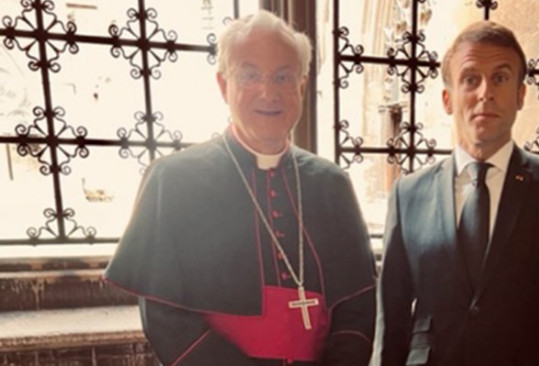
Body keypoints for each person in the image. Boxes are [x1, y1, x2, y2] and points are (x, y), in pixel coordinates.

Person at [104, 10, 376, 366]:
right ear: (223, 84)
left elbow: (356, 306)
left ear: (302, 86)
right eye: (250, 75)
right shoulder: (174, 181)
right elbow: (166, 318)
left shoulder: (332, 185)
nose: (268, 91)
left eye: (283, 76)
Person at [377, 20, 539, 366]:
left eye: (500, 78)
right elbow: (391, 318)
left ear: (521, 95)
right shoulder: (409, 195)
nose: (485, 93)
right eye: (470, 79)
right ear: (448, 99)